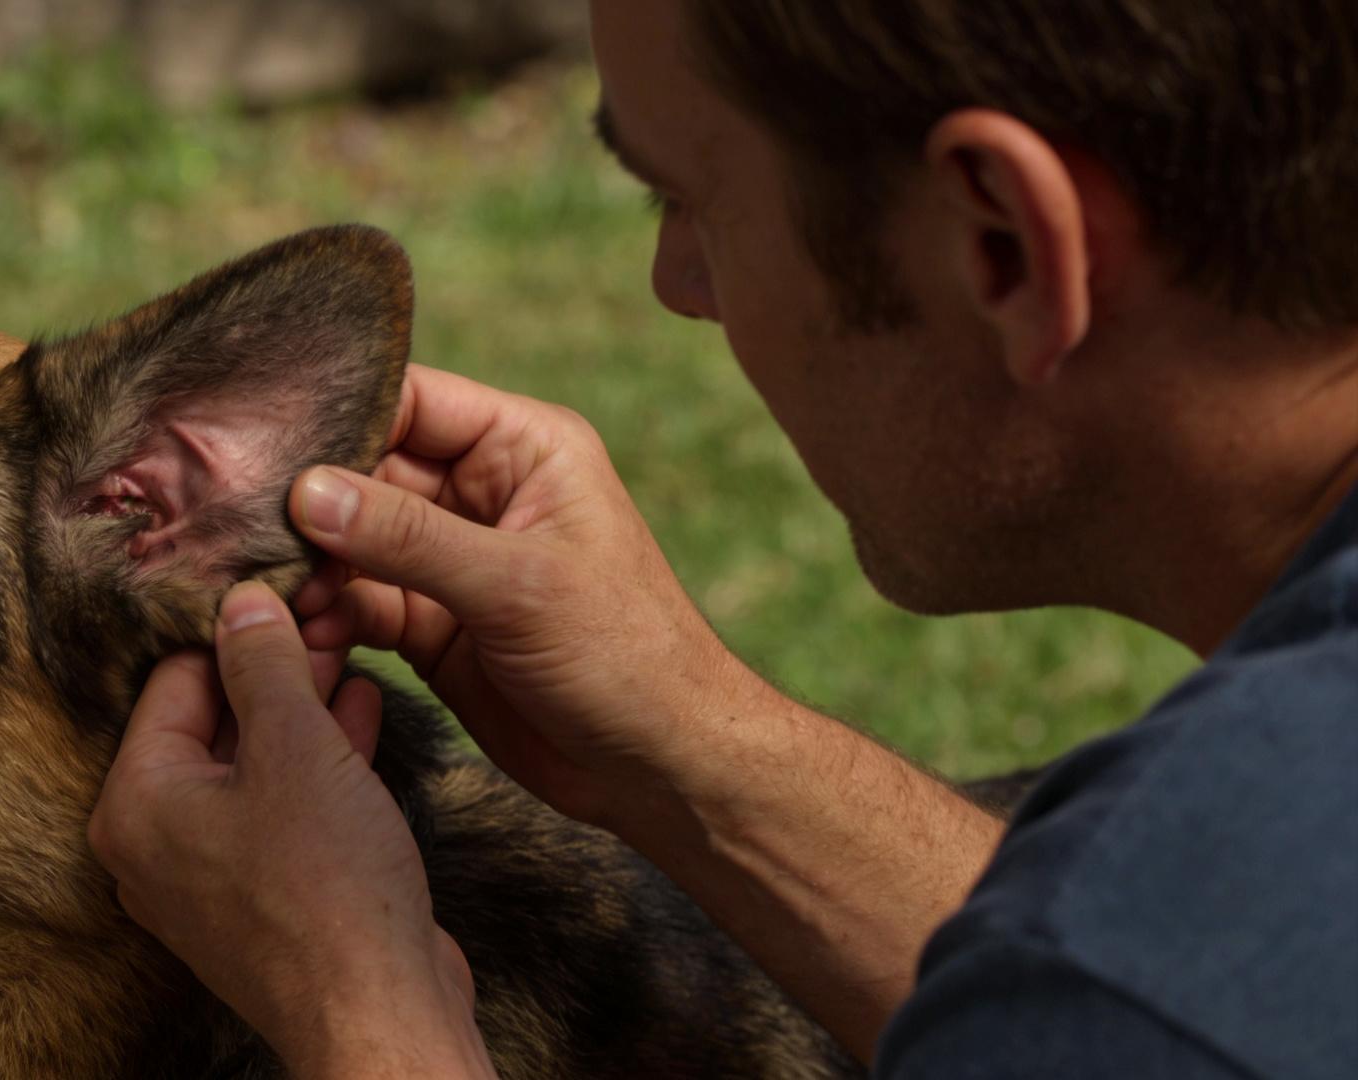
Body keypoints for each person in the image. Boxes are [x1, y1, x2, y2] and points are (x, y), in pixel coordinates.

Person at [85, 1, 1358, 1076]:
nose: (673, 283)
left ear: (1002, 245)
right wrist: (690, 747)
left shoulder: (1157, 965)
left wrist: (354, 1005)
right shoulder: (1225, 924)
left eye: (685, 197)